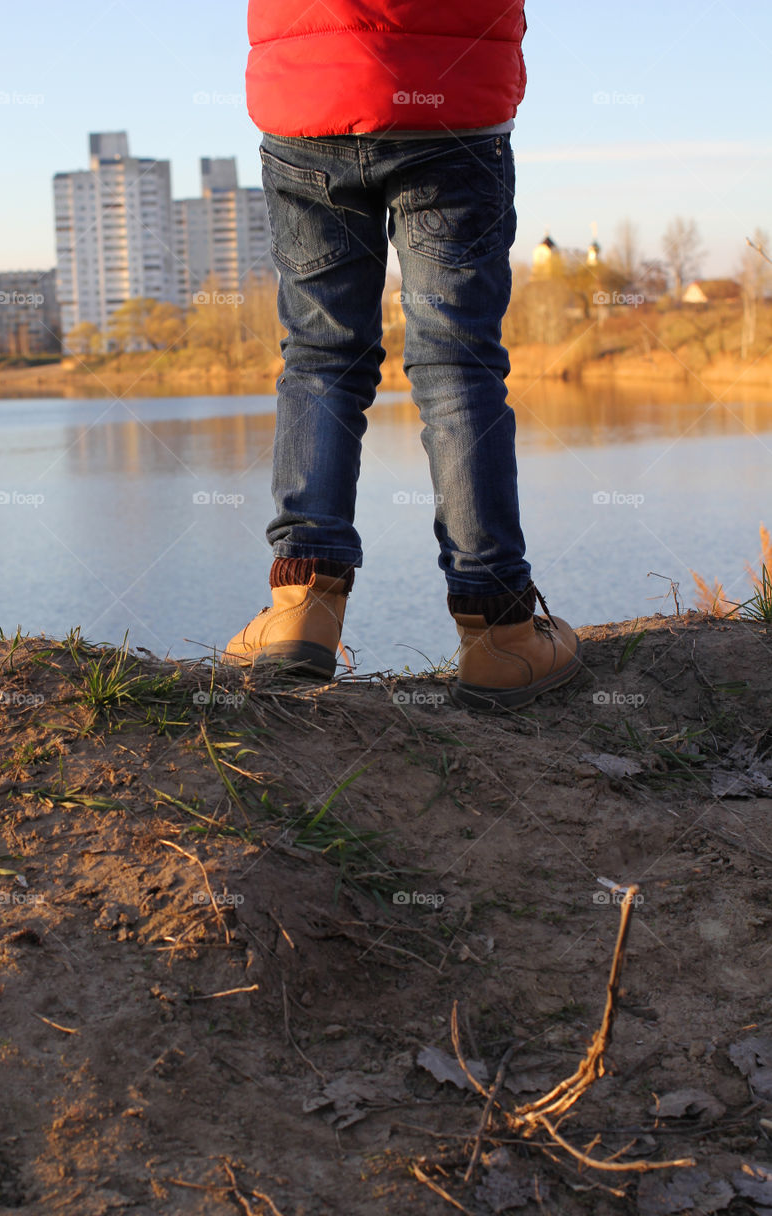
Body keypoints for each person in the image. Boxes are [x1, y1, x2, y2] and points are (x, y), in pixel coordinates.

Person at [223, 0, 582, 710]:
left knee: (322, 358)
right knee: (458, 367)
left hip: (310, 93)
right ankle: (499, 632)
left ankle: (302, 609)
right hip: (453, 98)